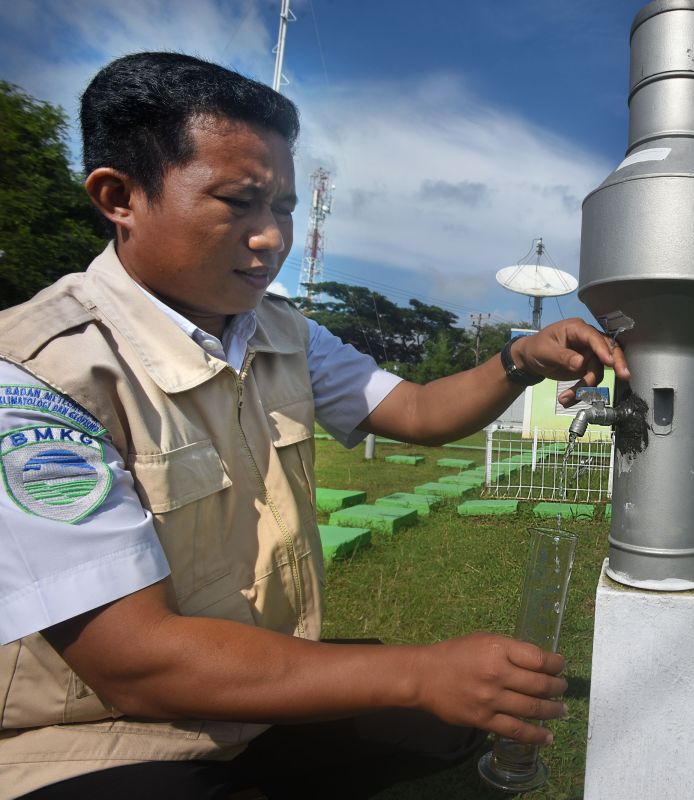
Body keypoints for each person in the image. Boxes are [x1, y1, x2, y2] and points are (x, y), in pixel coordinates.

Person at [0, 52, 629, 799]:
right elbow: (135, 662)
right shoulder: (37, 377)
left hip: (251, 705)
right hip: (92, 739)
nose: (271, 237)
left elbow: (419, 412)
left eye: (286, 208)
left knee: (453, 721)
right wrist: (416, 672)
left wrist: (519, 359)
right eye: (239, 201)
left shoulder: (279, 332)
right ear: (119, 196)